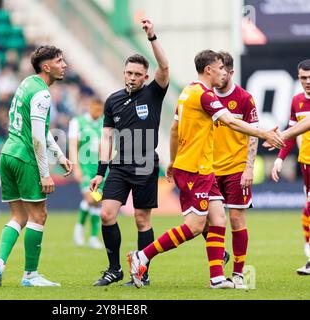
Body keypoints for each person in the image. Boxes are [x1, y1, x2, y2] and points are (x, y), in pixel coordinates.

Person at [127, 50, 285, 289]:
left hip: (201, 167)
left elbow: (174, 130)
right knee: (194, 227)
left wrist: (173, 160)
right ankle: (142, 256)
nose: (224, 72)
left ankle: (217, 278)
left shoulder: (188, 90)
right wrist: (264, 133)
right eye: (220, 68)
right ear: (209, 69)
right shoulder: (203, 95)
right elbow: (231, 121)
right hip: (193, 170)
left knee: (219, 218)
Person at [90, 18, 170, 287]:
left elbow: (165, 66)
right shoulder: (112, 100)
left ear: (146, 77)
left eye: (138, 74)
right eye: (129, 73)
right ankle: (115, 269)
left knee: (141, 219)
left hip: (146, 163)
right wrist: (100, 172)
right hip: (120, 165)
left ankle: (142, 273)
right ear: (124, 73)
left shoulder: (153, 94)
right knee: (106, 214)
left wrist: (152, 36)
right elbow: (106, 136)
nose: (132, 77)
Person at [0, 46, 72, 287]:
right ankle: (30, 275)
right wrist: (46, 174)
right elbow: (36, 137)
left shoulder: (27, 83)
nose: (64, 65)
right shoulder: (43, 95)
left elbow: (40, 131)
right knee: (39, 215)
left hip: (8, 154)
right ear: (46, 67)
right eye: (59, 60)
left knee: (18, 215)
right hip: (25, 157)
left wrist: (60, 155)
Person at [204, 51, 259, 289]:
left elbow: (254, 135)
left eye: (222, 70)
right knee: (204, 223)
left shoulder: (244, 98)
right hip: (209, 169)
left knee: (236, 219)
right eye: (215, 70)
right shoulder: (205, 97)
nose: (218, 74)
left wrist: (249, 168)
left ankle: (237, 273)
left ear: (231, 72)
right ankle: (221, 255)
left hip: (236, 168)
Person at [270, 59, 310, 275]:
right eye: (303, 78)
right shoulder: (297, 101)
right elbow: (292, 132)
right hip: (306, 164)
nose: (308, 81)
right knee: (308, 209)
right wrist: (280, 158)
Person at [69, 97, 105, 249]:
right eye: (95, 109)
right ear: (90, 107)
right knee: (91, 199)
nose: (98, 112)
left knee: (97, 201)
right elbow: (73, 146)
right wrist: (75, 167)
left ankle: (92, 237)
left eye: (100, 109)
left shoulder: (105, 123)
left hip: (100, 169)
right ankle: (80, 228)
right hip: (85, 167)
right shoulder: (77, 122)